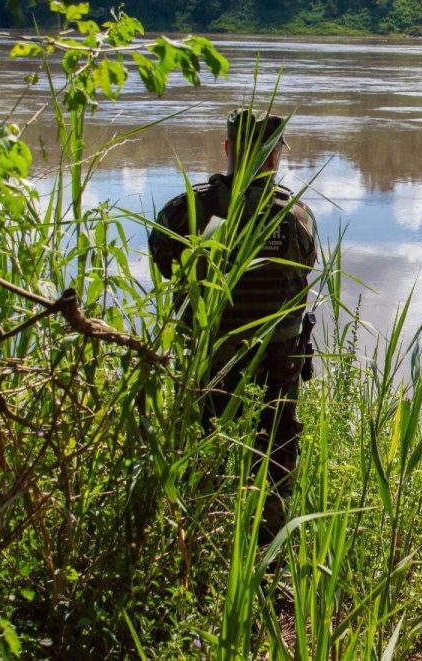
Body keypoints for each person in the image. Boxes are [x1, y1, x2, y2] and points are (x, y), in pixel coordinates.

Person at [149, 107, 317, 545]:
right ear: (275, 156)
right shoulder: (296, 214)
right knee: (277, 448)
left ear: (227, 148)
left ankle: (202, 537)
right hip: (279, 362)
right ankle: (269, 547)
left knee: (204, 442)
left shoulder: (188, 208)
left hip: (211, 356)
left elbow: (163, 263)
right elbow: (305, 266)